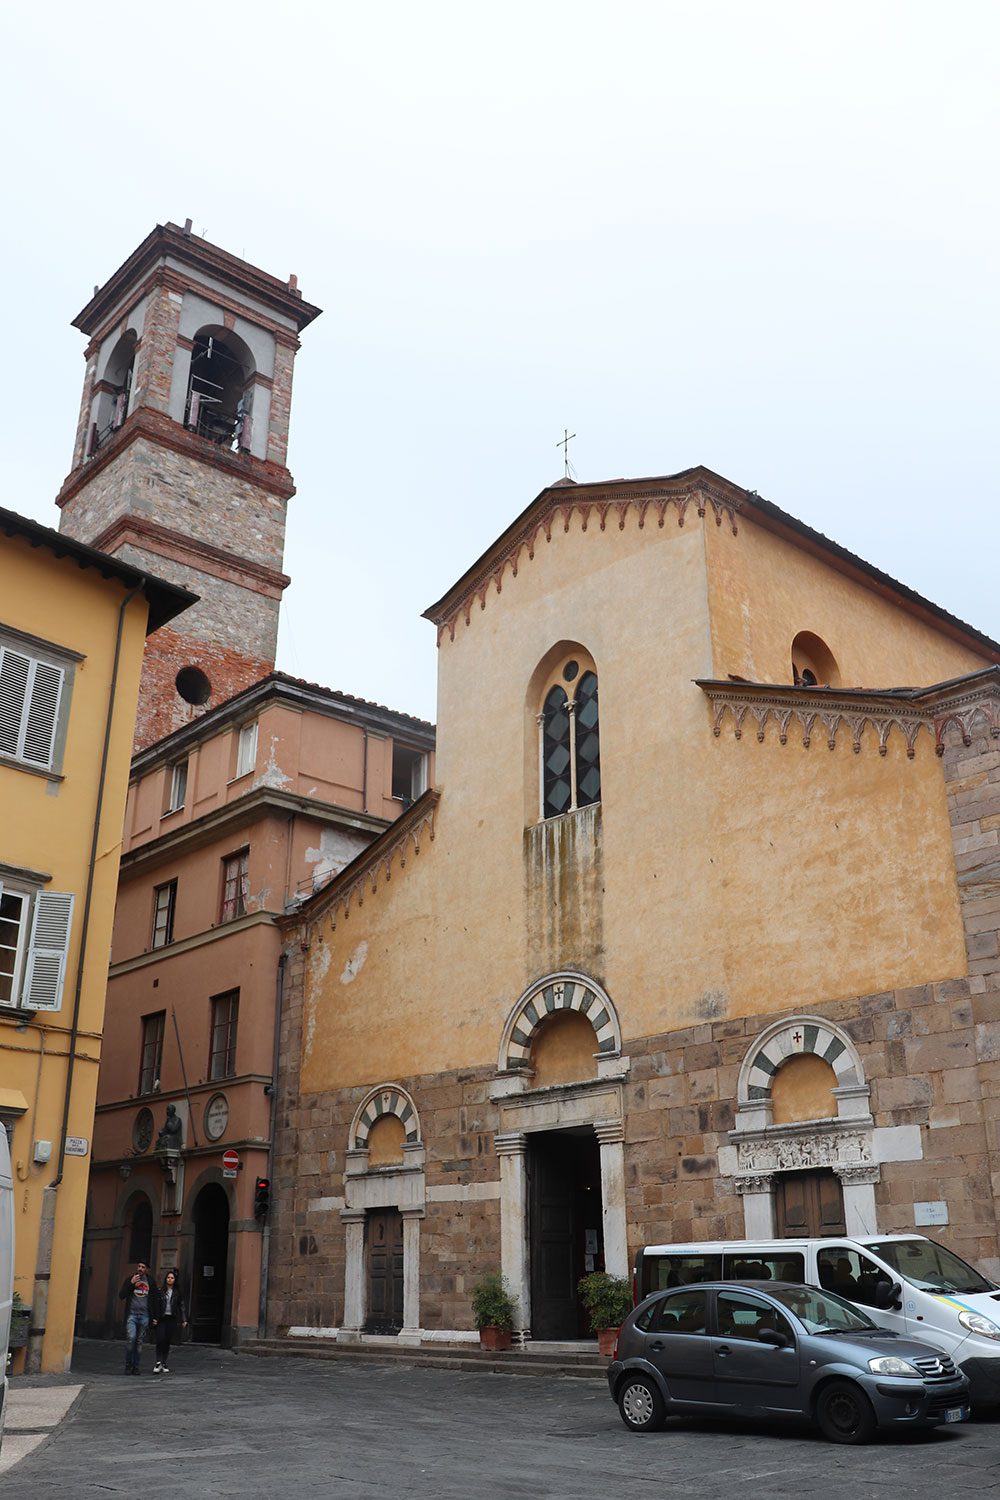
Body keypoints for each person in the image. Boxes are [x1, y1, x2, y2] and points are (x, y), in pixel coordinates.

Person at [119, 1261, 157, 1375]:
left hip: (145, 1316)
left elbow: (155, 1300)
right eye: (139, 1266)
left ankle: (136, 1367)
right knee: (131, 1339)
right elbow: (121, 1295)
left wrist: (155, 1317)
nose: (140, 1269)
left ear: (147, 1269)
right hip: (132, 1315)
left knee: (139, 1342)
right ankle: (128, 1365)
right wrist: (131, 1284)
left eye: (143, 1267)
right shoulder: (130, 1279)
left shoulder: (150, 1282)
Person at [150, 1268, 188, 1373]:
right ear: (165, 1279)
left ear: (175, 1280)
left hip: (171, 1318)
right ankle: (158, 1362)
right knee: (160, 1339)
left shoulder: (177, 1293)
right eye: (168, 1278)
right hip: (162, 1318)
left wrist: (184, 1319)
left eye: (172, 1278)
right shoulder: (160, 1291)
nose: (170, 1279)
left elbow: (182, 1306)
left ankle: (164, 1362)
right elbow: (156, 1305)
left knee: (167, 1341)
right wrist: (154, 1318)